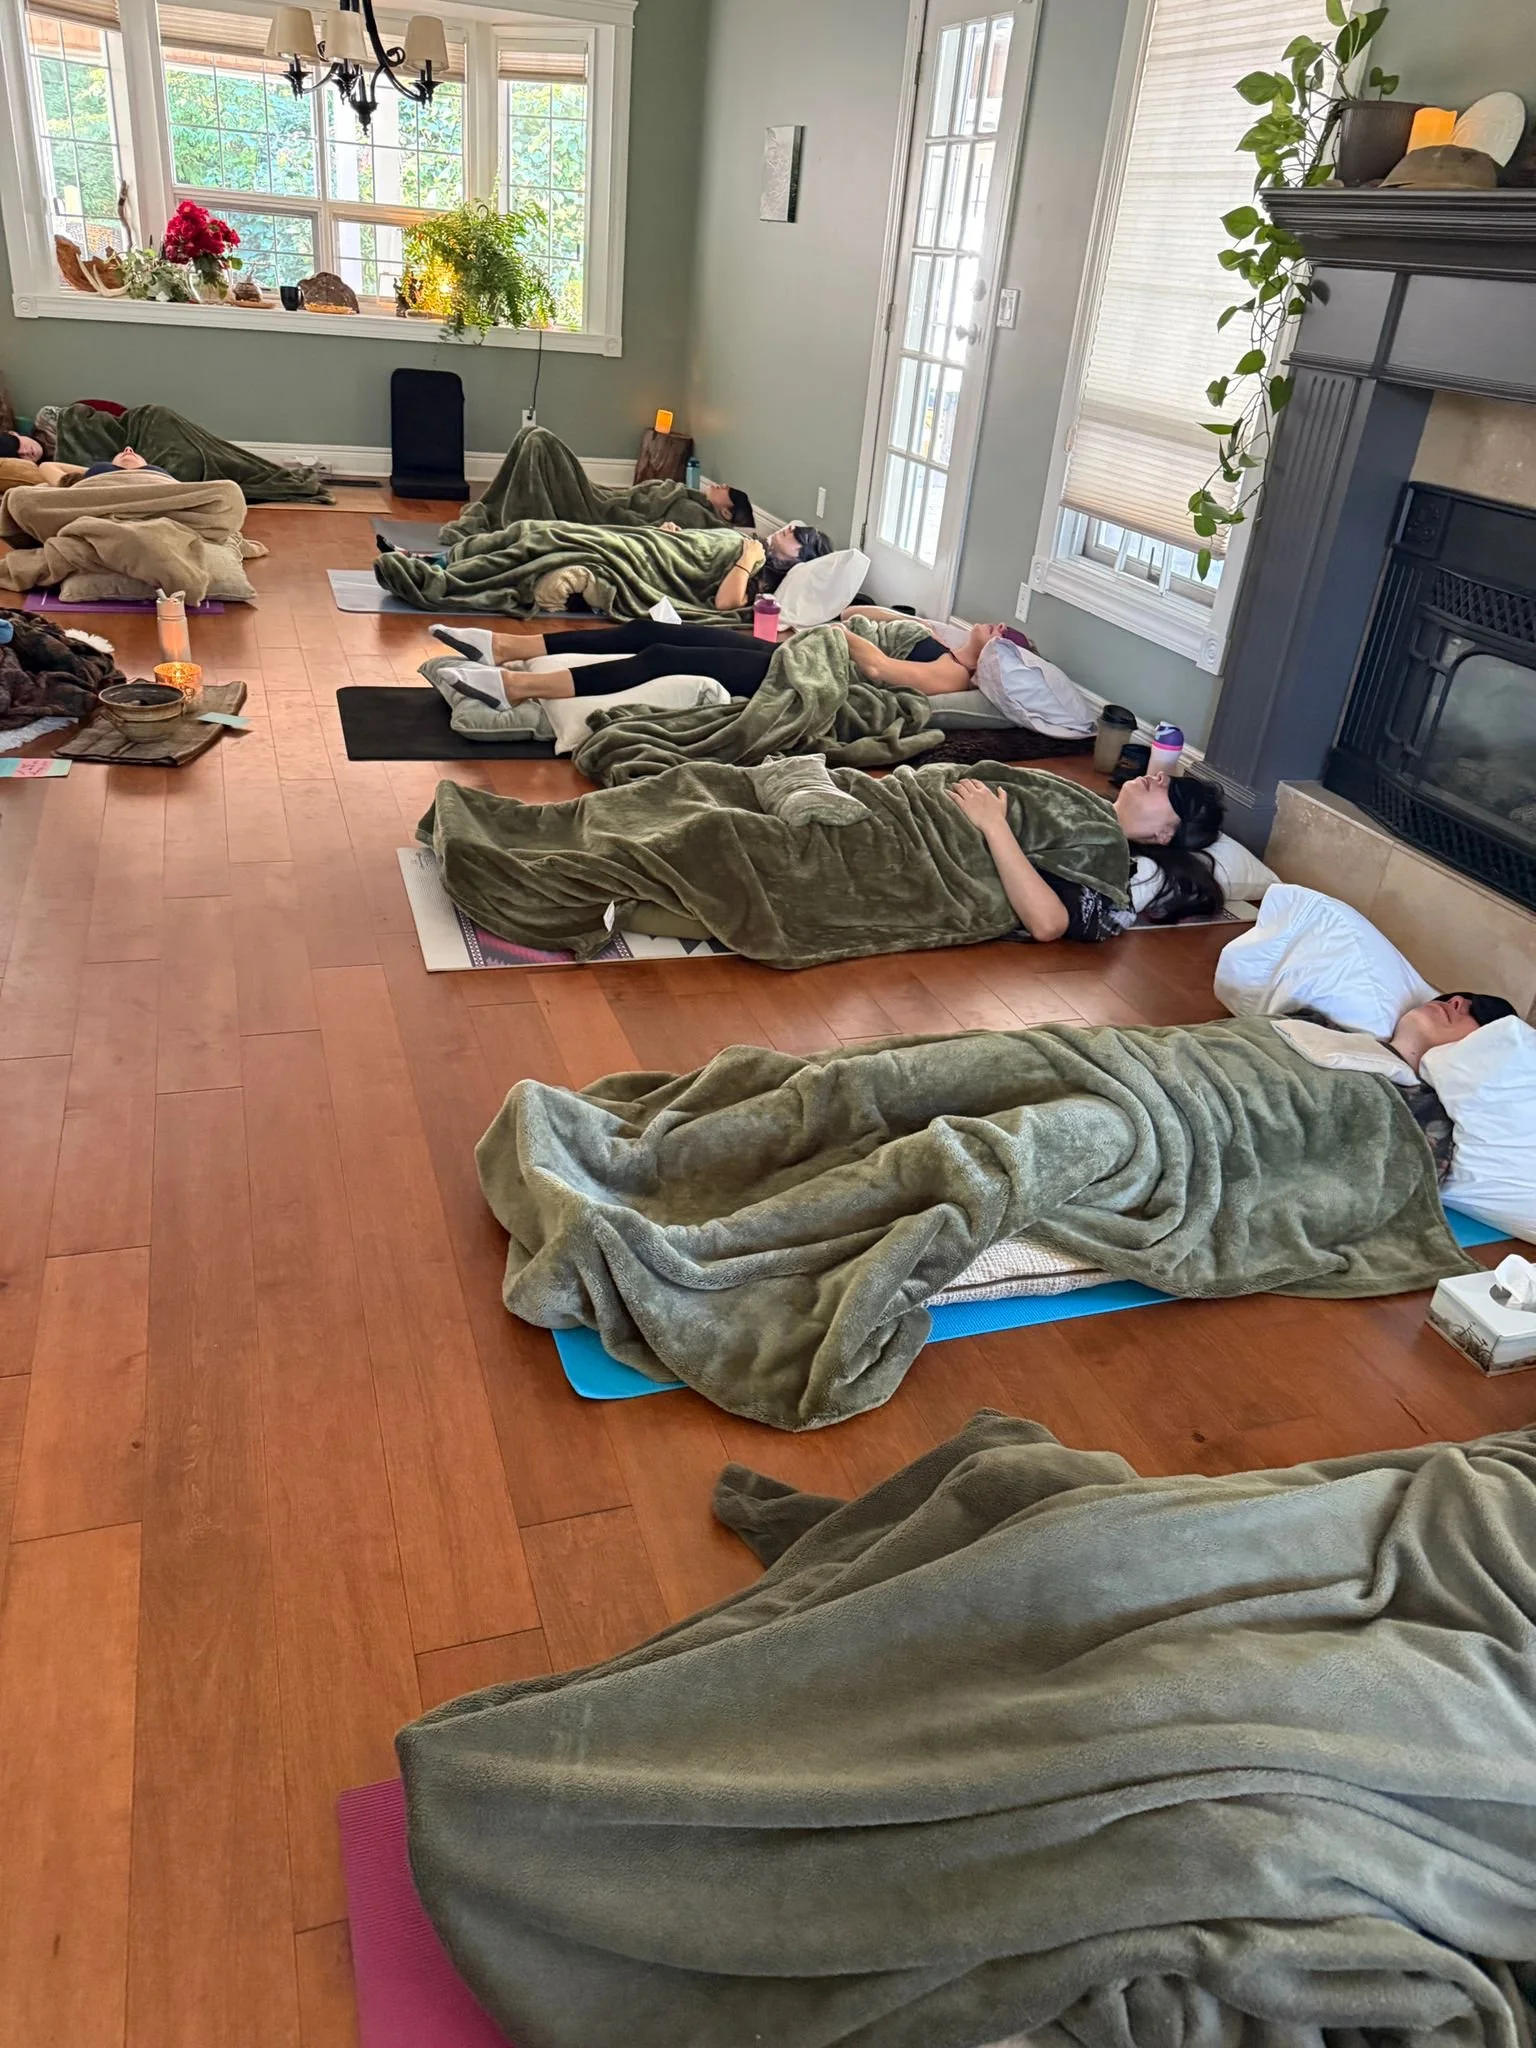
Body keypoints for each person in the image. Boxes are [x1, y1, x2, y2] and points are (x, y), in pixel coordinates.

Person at [431, 602, 970, 706]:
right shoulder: (941, 640)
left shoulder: (953, 678)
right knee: (649, 629)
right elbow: (856, 614)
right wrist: (911, 619)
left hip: (806, 677)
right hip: (795, 651)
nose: (994, 626)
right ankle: (506, 646)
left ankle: (519, 688)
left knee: (663, 654)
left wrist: (832, 635)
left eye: (1001, 634)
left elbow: (875, 668)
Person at [950, 768, 1226, 940]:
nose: (1162, 776)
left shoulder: (1109, 864)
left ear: (1165, 834)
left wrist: (993, 823)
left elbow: (1049, 924)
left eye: (1177, 794)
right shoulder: (1081, 803)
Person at [1285, 990, 1517, 1181]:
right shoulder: (1315, 1025)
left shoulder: (1425, 1116)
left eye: (1478, 1012)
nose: (1455, 1001)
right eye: (1450, 998)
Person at [441, 422, 760, 547]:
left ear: (727, 513)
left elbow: (648, 526)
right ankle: (495, 507)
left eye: (726, 490)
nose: (720, 484)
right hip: (610, 497)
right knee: (529, 435)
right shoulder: (694, 499)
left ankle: (510, 515)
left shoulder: (698, 517)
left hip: (599, 510)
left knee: (539, 440)